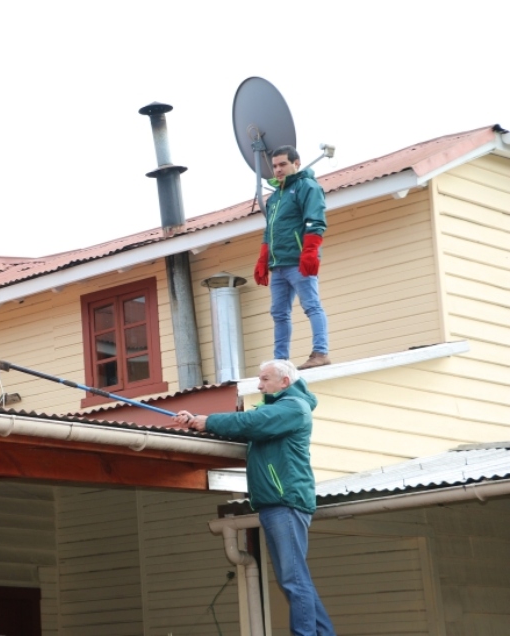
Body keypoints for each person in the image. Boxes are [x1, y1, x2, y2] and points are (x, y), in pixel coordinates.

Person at [173, 359, 335, 636]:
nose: (259, 385)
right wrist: (199, 422)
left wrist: (208, 421)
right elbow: (245, 426)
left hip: (284, 501)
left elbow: (251, 422)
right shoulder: (280, 409)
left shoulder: (292, 408)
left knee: (293, 579)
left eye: (264, 379)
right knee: (294, 579)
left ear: (284, 382)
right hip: (278, 502)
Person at [254, 145, 331, 370]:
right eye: (275, 166)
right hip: (278, 265)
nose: (277, 170)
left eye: (282, 164)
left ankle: (320, 352)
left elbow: (315, 221)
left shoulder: (307, 186)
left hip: (299, 261)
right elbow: (269, 230)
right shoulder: (275, 197)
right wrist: (263, 260)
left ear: (296, 164)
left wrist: (309, 252)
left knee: (311, 306)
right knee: (278, 313)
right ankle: (281, 361)